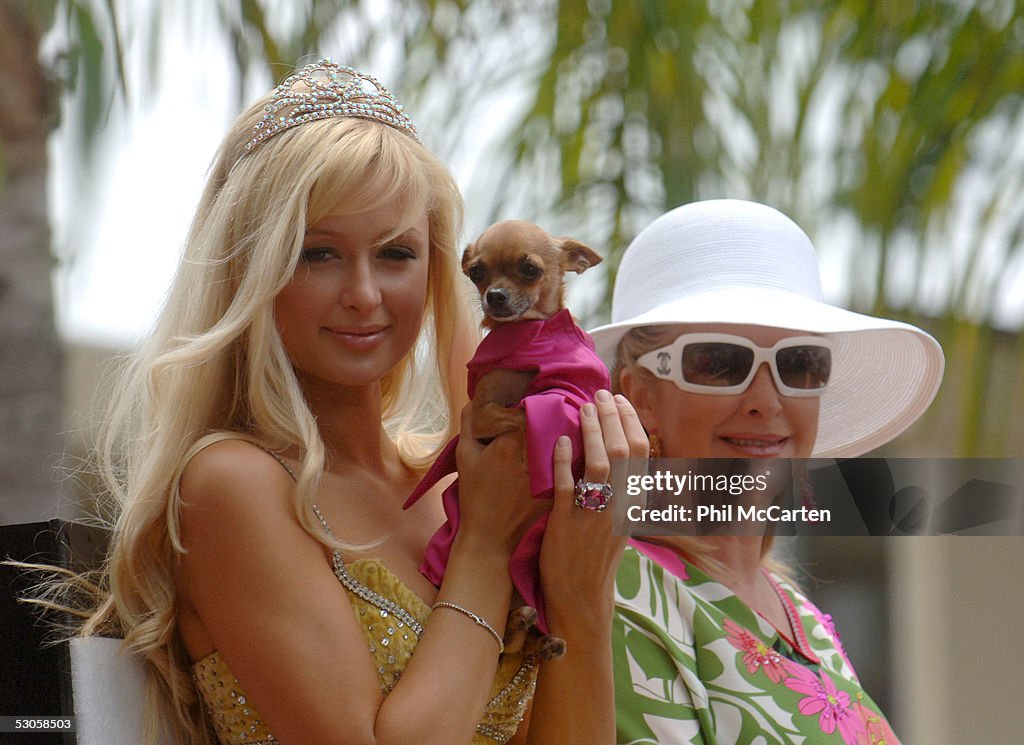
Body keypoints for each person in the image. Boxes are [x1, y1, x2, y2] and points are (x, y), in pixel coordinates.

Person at [59, 59, 646, 745]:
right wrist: (485, 543)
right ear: (251, 269)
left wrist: (581, 592)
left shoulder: (459, 481)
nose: (365, 293)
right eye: (318, 254)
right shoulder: (234, 484)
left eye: (396, 253)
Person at [588, 199, 944, 744]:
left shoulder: (795, 608)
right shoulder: (621, 591)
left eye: (800, 364)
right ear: (640, 395)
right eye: (718, 363)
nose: (765, 400)